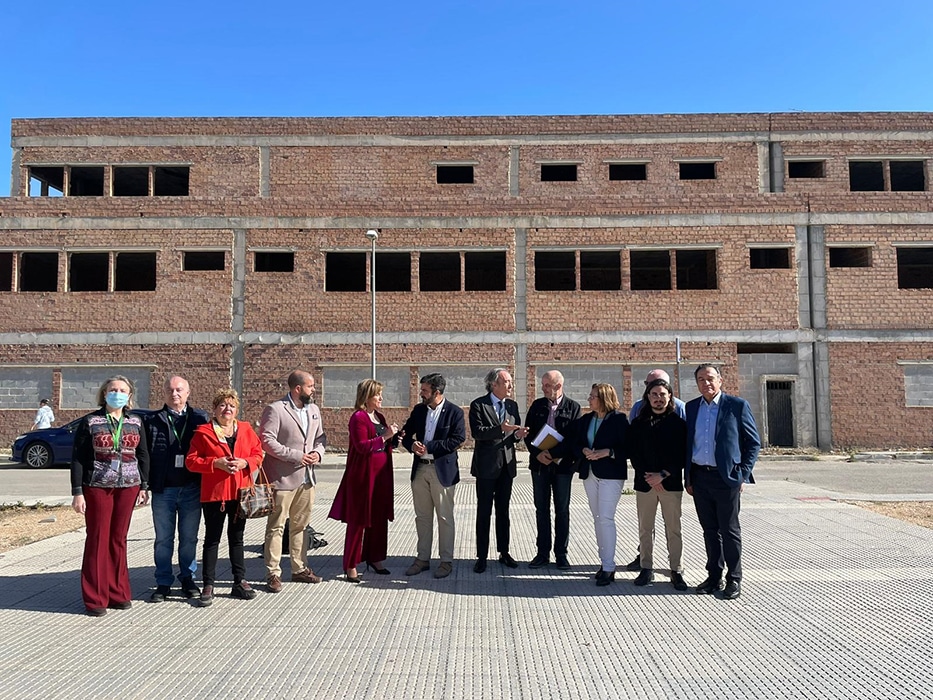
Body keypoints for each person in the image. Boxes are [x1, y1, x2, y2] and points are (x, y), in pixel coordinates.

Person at [70, 376, 150, 616]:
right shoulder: (90, 421)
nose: (118, 393)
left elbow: (143, 454)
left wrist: (144, 485)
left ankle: (118, 592)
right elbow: (78, 458)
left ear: (129, 395)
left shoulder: (135, 421)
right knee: (98, 538)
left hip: (129, 486)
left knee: (118, 538)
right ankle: (95, 597)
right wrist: (77, 492)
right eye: (113, 389)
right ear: (104, 394)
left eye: (123, 390)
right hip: (97, 486)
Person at [685, 364, 761, 601]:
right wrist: (688, 477)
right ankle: (714, 576)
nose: (706, 383)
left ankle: (734, 578)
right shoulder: (691, 407)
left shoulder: (736, 406)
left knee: (729, 530)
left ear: (720, 380)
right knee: (709, 530)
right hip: (700, 477)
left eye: (710, 378)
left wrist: (742, 473)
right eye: (701, 379)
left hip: (726, 478)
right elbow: (689, 443)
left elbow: (753, 443)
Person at [185, 388, 264, 606]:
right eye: (222, 405)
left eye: (231, 405)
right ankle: (208, 584)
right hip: (215, 495)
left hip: (241, 493)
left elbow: (258, 454)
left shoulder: (246, 429)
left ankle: (239, 581)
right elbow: (191, 461)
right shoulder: (203, 432)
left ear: (236, 409)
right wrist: (215, 463)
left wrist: (245, 462)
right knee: (212, 539)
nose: (227, 409)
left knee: (237, 538)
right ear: (214, 409)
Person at [260, 370, 327, 593]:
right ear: (298, 388)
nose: (314, 390)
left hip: (307, 478)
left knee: (301, 526)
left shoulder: (314, 410)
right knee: (276, 527)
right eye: (310, 386)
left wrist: (318, 453)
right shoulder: (276, 409)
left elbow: (320, 437)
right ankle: (273, 573)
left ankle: (299, 568)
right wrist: (296, 456)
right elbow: (267, 440)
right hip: (282, 479)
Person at [144, 375, 210, 603]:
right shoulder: (152, 421)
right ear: (164, 393)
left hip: (192, 488)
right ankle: (163, 582)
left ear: (188, 393)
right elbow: (145, 455)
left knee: (189, 538)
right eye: (170, 390)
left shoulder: (200, 419)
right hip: (163, 490)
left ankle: (188, 578)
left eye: (179, 390)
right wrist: (145, 485)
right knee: (163, 539)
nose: (175, 394)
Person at [329, 379, 400, 583]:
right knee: (359, 519)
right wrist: (385, 436)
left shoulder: (379, 416)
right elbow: (361, 446)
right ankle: (351, 564)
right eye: (377, 394)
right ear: (367, 396)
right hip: (363, 475)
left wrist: (394, 438)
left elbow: (384, 443)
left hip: (382, 475)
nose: (381, 398)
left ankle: (375, 557)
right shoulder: (358, 418)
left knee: (379, 517)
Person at [401, 373, 466, 579]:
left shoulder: (454, 412)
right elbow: (405, 433)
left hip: (442, 471)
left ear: (436, 392)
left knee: (445, 517)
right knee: (422, 517)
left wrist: (429, 446)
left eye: (425, 390)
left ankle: (446, 561)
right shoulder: (419, 410)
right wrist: (412, 445)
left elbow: (458, 439)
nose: (421, 393)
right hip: (420, 469)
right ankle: (422, 559)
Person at [627, 378, 688, 591]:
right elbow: (634, 454)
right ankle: (646, 568)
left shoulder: (679, 424)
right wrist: (650, 478)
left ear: (670, 397)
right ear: (648, 397)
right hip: (645, 484)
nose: (658, 398)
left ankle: (676, 570)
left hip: (670, 484)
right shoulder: (638, 423)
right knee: (645, 528)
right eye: (654, 394)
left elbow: (681, 454)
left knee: (674, 529)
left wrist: (662, 475)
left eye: (663, 394)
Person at [469, 368, 528, 573]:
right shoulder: (479, 405)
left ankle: (504, 552)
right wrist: (500, 429)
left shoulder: (512, 405)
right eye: (507, 381)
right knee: (484, 512)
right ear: (494, 384)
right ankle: (482, 556)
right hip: (486, 467)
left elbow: (512, 435)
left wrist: (518, 435)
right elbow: (478, 433)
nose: (511, 385)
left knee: (503, 511)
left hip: (506, 466)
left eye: (511, 381)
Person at [570, 383, 628, 586]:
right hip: (590, 473)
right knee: (597, 518)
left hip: (611, 474)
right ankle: (603, 562)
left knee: (605, 518)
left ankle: (609, 567)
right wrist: (584, 450)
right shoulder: (586, 419)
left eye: (593, 396)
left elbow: (628, 447)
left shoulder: (619, 420)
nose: (589, 399)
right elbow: (575, 443)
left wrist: (608, 452)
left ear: (604, 398)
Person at [524, 370, 581, 570]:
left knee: (562, 510)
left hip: (562, 467)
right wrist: (536, 453)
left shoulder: (573, 407)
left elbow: (574, 438)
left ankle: (561, 554)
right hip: (539, 465)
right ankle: (542, 553)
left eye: (547, 385)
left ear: (558, 386)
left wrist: (554, 453)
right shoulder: (537, 406)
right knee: (541, 509)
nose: (543, 389)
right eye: (543, 385)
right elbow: (528, 433)